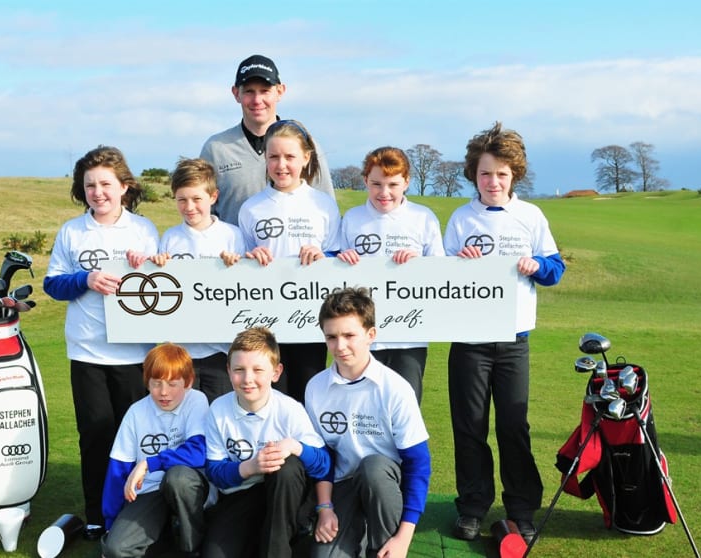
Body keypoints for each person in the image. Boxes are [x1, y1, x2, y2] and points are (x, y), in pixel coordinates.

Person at [442, 122, 566, 544]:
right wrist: (459, 262)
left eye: (501, 174)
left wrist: (538, 266)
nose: (492, 181)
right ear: (473, 175)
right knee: (469, 428)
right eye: (484, 173)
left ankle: (521, 510)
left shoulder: (530, 216)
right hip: (469, 344)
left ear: (514, 175)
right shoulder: (461, 218)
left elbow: (555, 269)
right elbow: (441, 279)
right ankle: (472, 508)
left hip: (514, 342)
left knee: (514, 426)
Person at [43, 145, 159, 539]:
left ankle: (136, 513)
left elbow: (162, 283)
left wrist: (146, 264)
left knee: (133, 436)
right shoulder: (72, 231)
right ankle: (96, 514)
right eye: (90, 185)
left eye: (106, 184)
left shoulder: (143, 230)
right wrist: (85, 279)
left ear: (124, 187)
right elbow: (52, 284)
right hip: (87, 351)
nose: (98, 192)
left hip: (133, 353)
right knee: (94, 435)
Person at [304, 287, 432, 558]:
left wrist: (404, 537)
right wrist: (324, 508)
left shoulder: (395, 388)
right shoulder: (315, 388)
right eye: (331, 337)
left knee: (372, 467)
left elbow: (418, 464)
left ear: (370, 335)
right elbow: (320, 457)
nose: (340, 346)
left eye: (349, 335)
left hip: (384, 485)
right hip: (342, 487)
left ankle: (382, 547)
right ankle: (355, 538)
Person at [203, 327, 331, 558]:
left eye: (258, 370)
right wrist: (251, 466)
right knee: (214, 553)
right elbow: (214, 471)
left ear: (276, 372)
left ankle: (282, 545)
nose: (248, 379)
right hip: (240, 495)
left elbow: (323, 464)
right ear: (228, 371)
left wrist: (295, 447)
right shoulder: (218, 410)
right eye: (239, 370)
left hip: (286, 495)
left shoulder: (290, 410)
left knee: (287, 466)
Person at [237, 119, 341, 403]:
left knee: (308, 399)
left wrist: (325, 257)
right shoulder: (251, 208)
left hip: (310, 323)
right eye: (273, 157)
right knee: (270, 401)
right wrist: (251, 257)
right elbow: (240, 263)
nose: (281, 164)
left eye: (290, 156)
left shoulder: (324, 205)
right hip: (265, 325)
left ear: (306, 158)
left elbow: (337, 257)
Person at [336, 146, 445, 402]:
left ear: (406, 182)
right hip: (360, 338)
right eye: (376, 184)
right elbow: (335, 275)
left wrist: (420, 264)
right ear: (365, 181)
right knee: (362, 408)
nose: (384, 193)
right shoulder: (352, 218)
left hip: (409, 337)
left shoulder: (423, 218)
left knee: (404, 407)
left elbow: (441, 273)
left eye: (393, 184)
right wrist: (343, 259)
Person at [150, 157, 246, 402]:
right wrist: (159, 264)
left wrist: (235, 265)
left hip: (220, 350)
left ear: (213, 197)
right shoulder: (171, 238)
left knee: (219, 415)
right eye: (182, 200)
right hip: (182, 351)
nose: (189, 207)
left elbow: (244, 287)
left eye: (197, 199)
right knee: (186, 417)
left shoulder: (231, 235)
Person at [100, 343, 210, 558]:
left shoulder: (197, 400)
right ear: (147, 382)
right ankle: (163, 539)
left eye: (172, 383)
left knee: (177, 478)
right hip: (150, 491)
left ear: (188, 383)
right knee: (117, 549)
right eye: (156, 383)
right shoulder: (136, 412)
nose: (163, 392)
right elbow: (118, 470)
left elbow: (199, 451)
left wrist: (149, 462)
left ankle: (193, 549)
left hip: (189, 488)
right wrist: (111, 523)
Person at [199, 54, 334, 226]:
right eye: (249, 91)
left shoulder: (306, 144)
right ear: (236, 93)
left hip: (296, 252)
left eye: (265, 91)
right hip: (235, 252)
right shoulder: (216, 149)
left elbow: (327, 210)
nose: (257, 100)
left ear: (280, 91)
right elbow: (200, 214)